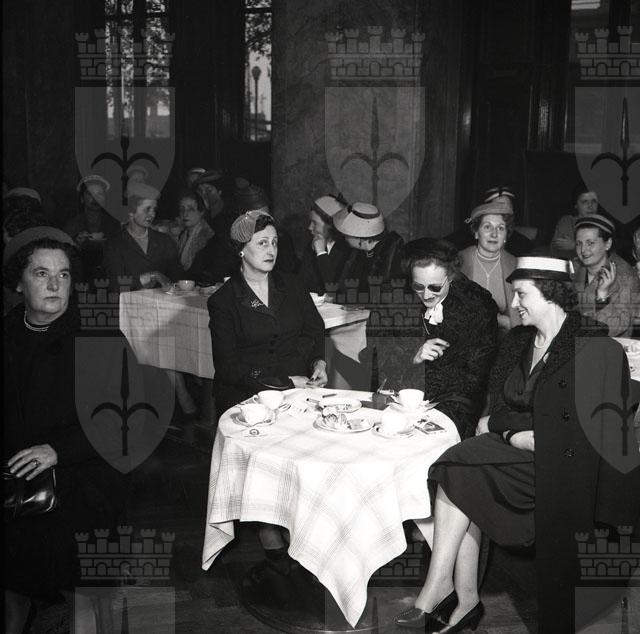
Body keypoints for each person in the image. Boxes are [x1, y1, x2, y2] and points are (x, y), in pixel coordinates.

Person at [393, 256, 640, 633]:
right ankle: (452, 591)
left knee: (460, 469)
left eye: (522, 294)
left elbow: (580, 431)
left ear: (550, 293)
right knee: (454, 465)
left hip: (562, 468)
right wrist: (513, 434)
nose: (513, 303)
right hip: (517, 448)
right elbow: (498, 409)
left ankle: (451, 593)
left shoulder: (592, 347)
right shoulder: (518, 342)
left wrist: (511, 429)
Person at [3, 227, 124, 634]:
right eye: (41, 274)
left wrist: (57, 450)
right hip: (15, 480)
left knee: (83, 593)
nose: (55, 285)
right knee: (14, 586)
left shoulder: (99, 334)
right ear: (18, 283)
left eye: (64, 274)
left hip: (82, 477)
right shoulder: (7, 333)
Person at [207, 209, 327, 414]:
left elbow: (315, 329)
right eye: (262, 243)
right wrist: (286, 382)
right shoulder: (223, 301)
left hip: (298, 389)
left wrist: (318, 362)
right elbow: (228, 367)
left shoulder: (293, 285)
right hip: (247, 394)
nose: (271, 250)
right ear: (241, 249)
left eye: (274, 242)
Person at [379, 239, 498, 439]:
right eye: (418, 286)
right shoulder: (398, 301)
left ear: (451, 277)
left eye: (435, 287)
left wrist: (429, 401)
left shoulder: (477, 306)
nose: (426, 295)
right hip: (405, 391)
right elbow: (379, 358)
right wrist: (414, 356)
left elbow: (477, 373)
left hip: (456, 398)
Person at [103, 181, 183, 290]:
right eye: (147, 209)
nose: (152, 214)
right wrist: (148, 277)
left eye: (154, 209)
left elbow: (178, 278)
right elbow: (115, 285)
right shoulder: (115, 245)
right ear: (130, 211)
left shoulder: (165, 241)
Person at [572, 214, 639, 337]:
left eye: (590, 243)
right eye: (578, 243)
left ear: (608, 244)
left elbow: (612, 328)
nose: (583, 250)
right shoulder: (573, 268)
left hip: (610, 346)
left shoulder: (626, 277)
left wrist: (602, 297)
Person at [459, 197, 518, 331]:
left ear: (506, 236)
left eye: (500, 228)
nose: (494, 234)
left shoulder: (515, 265)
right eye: (487, 227)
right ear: (476, 233)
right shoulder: (458, 262)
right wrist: (499, 320)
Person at [333, 202, 405, 290]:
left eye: (346, 234)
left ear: (360, 236)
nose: (344, 236)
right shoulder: (358, 252)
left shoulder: (391, 256)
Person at [65, 176, 121, 282]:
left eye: (100, 194)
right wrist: (76, 243)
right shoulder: (73, 224)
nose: (95, 198)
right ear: (82, 199)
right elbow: (66, 254)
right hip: (81, 278)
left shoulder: (113, 223)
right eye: (90, 194)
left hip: (109, 277)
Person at [299, 195, 351, 293]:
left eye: (315, 223)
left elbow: (337, 289)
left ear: (331, 225)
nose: (310, 227)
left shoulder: (348, 250)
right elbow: (302, 283)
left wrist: (321, 253)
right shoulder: (312, 245)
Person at [550, 186, 599, 259]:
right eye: (585, 202)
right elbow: (560, 248)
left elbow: (603, 252)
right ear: (576, 205)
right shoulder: (567, 221)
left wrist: (575, 246)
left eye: (593, 202)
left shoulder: (603, 225)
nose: (590, 206)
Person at [175, 189, 215, 272]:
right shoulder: (184, 234)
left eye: (190, 209)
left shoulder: (207, 238)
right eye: (182, 209)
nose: (185, 214)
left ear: (201, 212)